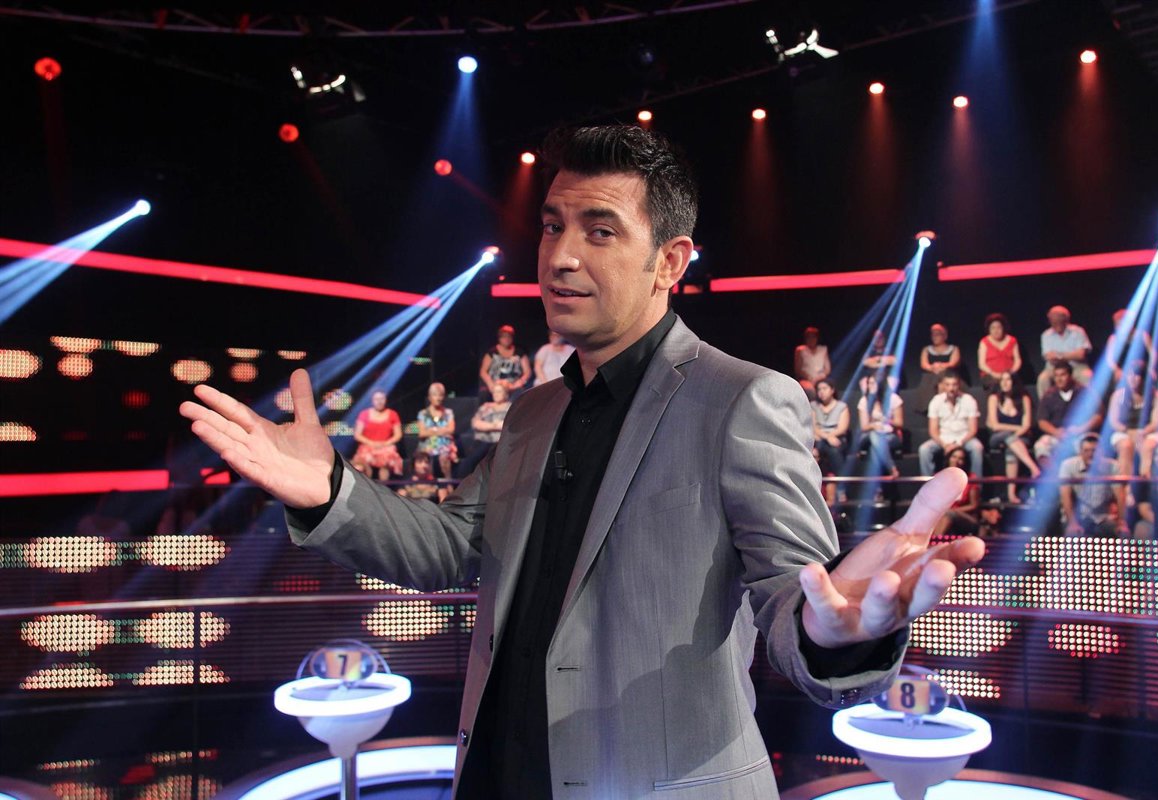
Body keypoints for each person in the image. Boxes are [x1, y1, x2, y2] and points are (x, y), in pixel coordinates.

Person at [181, 125, 982, 800]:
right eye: (552, 226)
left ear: (670, 262)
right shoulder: (533, 411)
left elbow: (790, 598)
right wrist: (328, 491)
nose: (560, 256)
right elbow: (452, 547)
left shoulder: (744, 399)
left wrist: (837, 635)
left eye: (600, 231)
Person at [986, 372, 1041, 504]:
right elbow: (995, 426)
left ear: (1014, 382)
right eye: (1002, 380)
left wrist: (1013, 437)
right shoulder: (994, 398)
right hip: (998, 437)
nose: (1005, 383)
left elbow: (1026, 425)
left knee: (1011, 450)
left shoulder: (1024, 398)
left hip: (1020, 438)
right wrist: (1014, 432)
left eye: (1008, 380)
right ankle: (1033, 468)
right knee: (1008, 437)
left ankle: (1011, 494)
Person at [1059, 433, 1128, 537]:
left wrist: (1121, 522)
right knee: (1073, 535)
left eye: (1094, 451)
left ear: (1101, 452)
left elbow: (1120, 496)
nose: (1090, 454)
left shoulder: (1113, 466)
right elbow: (1065, 496)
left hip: (1103, 517)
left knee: (1123, 534)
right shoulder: (1067, 465)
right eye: (1086, 451)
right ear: (1080, 452)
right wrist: (1072, 523)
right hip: (1078, 517)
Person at [1034, 361, 1102, 464]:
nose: (1059, 379)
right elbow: (1042, 421)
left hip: (1081, 434)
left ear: (1070, 376)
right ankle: (1051, 473)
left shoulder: (1085, 392)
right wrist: (1056, 432)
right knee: (1041, 447)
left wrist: (1081, 429)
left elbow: (1098, 416)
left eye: (1062, 375)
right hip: (1057, 435)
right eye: (1056, 376)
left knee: (1088, 448)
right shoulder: (1049, 395)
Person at [1107, 359, 1158, 477]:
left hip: (1148, 432)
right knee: (1126, 446)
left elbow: (1156, 422)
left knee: (1147, 446)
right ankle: (1126, 483)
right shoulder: (1118, 395)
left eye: (1137, 375)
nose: (1133, 378)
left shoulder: (1156, 396)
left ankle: (1145, 480)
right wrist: (1129, 432)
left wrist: (1142, 432)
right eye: (1130, 375)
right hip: (1124, 432)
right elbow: (1113, 421)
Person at [920, 374, 984, 478]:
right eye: (948, 385)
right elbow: (933, 431)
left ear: (959, 385)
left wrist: (958, 443)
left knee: (977, 447)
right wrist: (945, 445)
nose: (951, 388)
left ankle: (976, 485)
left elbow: (973, 430)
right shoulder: (936, 401)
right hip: (944, 438)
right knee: (924, 449)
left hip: (964, 438)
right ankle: (928, 484)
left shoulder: (968, 400)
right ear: (943, 386)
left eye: (954, 385)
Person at [856, 371, 904, 479]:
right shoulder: (864, 400)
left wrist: (887, 421)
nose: (870, 386)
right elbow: (864, 427)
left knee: (874, 448)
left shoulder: (893, 399)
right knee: (874, 435)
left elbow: (899, 423)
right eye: (869, 383)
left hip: (889, 435)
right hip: (868, 435)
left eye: (873, 383)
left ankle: (876, 484)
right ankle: (892, 468)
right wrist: (874, 426)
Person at [1037, 305, 1093, 397]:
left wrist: (1059, 355)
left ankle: (1090, 404)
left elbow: (1081, 355)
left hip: (1077, 367)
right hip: (1054, 369)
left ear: (1066, 319)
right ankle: (1045, 404)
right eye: (1053, 320)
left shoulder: (1078, 332)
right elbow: (1050, 358)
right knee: (1043, 379)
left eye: (1059, 319)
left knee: (1087, 376)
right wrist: (1071, 355)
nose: (1056, 322)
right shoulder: (1046, 335)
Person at [458, 383, 513, 476]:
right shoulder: (485, 407)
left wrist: (487, 426)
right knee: (471, 460)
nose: (496, 394)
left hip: (500, 442)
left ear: (506, 393)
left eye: (499, 392)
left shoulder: (510, 407)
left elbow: (508, 424)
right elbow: (475, 423)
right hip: (483, 441)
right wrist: (494, 425)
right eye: (494, 392)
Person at [810, 378, 850, 504]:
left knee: (834, 451)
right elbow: (813, 426)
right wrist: (827, 437)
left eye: (824, 388)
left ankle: (841, 489)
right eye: (819, 389)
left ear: (832, 390)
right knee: (819, 448)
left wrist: (830, 436)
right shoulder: (813, 406)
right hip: (820, 438)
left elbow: (842, 428)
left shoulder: (842, 406)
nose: (821, 392)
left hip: (837, 438)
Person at [350, 389, 404, 481]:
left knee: (387, 461)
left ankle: (383, 487)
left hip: (386, 447)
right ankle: (366, 486)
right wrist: (372, 443)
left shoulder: (393, 414)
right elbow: (357, 435)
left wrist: (385, 443)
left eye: (382, 399)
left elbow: (398, 434)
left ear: (385, 400)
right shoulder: (364, 414)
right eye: (377, 399)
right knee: (362, 462)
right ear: (372, 400)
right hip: (368, 446)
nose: (379, 402)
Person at [1102, 308, 1155, 386]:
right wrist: (1117, 370)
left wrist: (1151, 368)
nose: (1119, 327)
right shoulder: (1114, 339)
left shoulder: (1142, 335)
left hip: (1141, 371)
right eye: (1117, 324)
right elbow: (1109, 359)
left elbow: (1153, 354)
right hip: (1123, 371)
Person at [932, 447, 979, 537]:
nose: (956, 461)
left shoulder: (971, 478)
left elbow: (974, 505)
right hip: (942, 515)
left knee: (949, 514)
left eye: (960, 459)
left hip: (966, 517)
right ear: (949, 459)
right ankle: (935, 542)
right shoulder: (939, 476)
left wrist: (953, 511)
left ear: (965, 462)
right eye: (954, 457)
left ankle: (935, 543)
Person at [417, 382, 458, 480]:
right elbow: (422, 433)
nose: (438, 398)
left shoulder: (448, 413)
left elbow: (451, 430)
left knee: (444, 456)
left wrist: (432, 430)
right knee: (425, 457)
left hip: (444, 444)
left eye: (441, 395)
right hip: (427, 444)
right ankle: (429, 484)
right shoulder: (423, 414)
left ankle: (448, 482)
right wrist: (442, 430)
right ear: (430, 397)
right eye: (435, 395)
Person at [479, 324, 532, 400]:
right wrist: (490, 384)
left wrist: (518, 383)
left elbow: (527, 372)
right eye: (504, 337)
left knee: (520, 394)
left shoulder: (520, 353)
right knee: (483, 394)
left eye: (509, 336)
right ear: (499, 338)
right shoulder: (492, 352)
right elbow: (483, 371)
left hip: (513, 385)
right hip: (495, 384)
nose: (506, 339)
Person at [917, 323, 962, 411]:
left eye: (937, 335)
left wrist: (942, 366)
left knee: (946, 380)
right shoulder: (926, 349)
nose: (935, 337)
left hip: (949, 374)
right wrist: (932, 368)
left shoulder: (953, 348)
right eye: (933, 335)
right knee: (929, 381)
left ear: (945, 336)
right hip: (931, 376)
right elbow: (924, 364)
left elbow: (953, 362)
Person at [976, 312, 1021, 392]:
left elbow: (1018, 360)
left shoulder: (1012, 340)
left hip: (1009, 375)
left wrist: (1010, 373)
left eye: (998, 327)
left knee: (1014, 385)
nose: (996, 331)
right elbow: (981, 364)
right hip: (990, 376)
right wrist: (994, 374)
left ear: (1003, 328)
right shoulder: (984, 342)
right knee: (996, 386)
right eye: (993, 328)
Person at [794, 326, 832, 395]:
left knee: (827, 389)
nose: (811, 340)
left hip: (820, 378)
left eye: (813, 337)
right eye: (809, 337)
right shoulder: (800, 350)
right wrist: (809, 378)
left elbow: (827, 369)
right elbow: (798, 370)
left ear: (817, 338)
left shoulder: (823, 349)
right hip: (806, 379)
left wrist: (819, 378)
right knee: (810, 391)